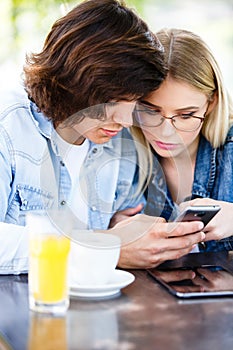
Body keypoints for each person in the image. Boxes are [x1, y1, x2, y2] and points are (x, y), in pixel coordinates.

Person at [0, 2, 205, 274]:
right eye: (113, 100)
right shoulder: (9, 126)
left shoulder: (119, 142)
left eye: (133, 101)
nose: (124, 119)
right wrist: (106, 249)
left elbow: (125, 222)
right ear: (72, 82)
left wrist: (128, 230)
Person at [132, 28, 233, 253]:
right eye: (151, 111)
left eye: (185, 115)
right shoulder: (117, 149)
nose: (166, 132)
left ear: (211, 103)